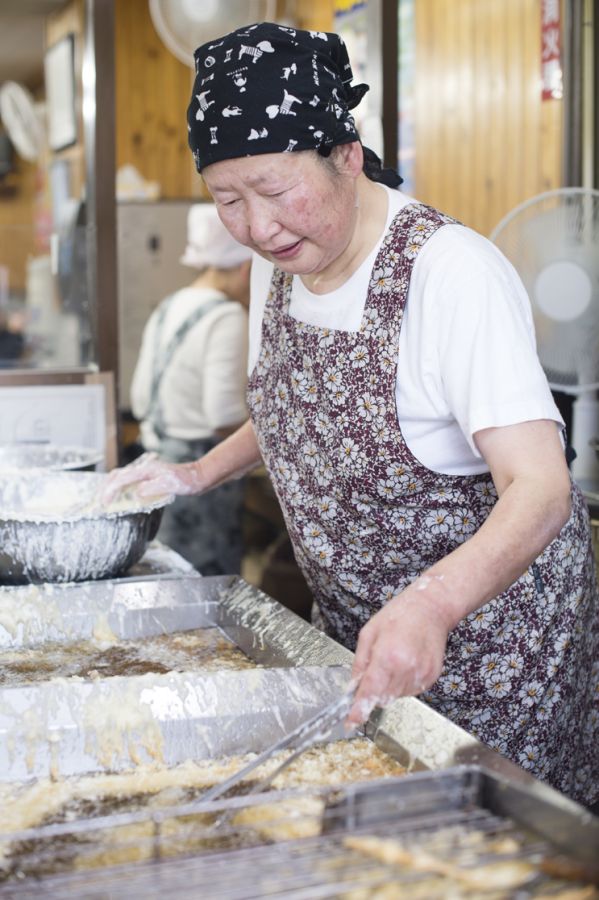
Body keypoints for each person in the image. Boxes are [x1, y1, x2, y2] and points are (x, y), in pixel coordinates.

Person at [106, 22, 598, 805]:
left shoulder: (448, 274)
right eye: (228, 199)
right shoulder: (284, 262)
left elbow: (540, 488)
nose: (259, 227)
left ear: (345, 154)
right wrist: (195, 472)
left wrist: (432, 603)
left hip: (496, 660)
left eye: (273, 190)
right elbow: (292, 410)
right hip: (364, 639)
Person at [129, 203, 252, 574]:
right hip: (202, 485)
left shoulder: (170, 305)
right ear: (246, 266)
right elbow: (223, 415)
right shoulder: (226, 317)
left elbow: (138, 400)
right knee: (204, 593)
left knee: (164, 583)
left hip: (155, 469)